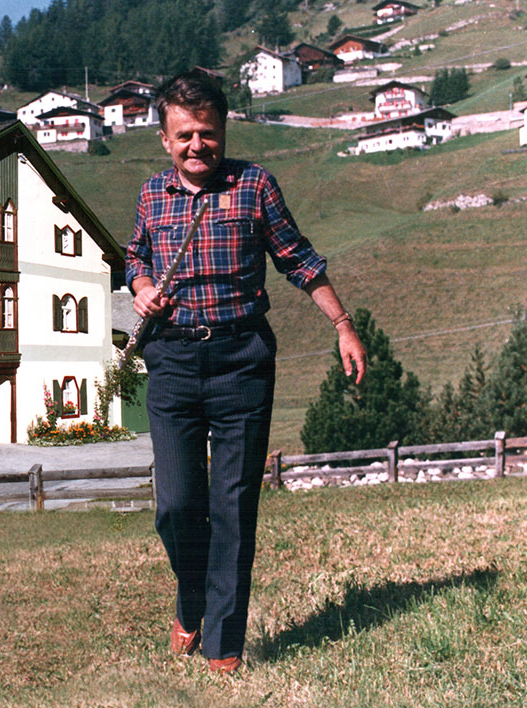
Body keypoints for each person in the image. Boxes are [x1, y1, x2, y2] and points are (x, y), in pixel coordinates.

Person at [126, 70, 367, 674]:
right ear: (164, 139)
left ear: (223, 131)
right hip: (174, 362)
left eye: (206, 134)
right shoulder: (153, 195)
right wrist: (143, 285)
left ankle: (224, 646)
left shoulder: (255, 185)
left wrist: (342, 324)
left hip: (242, 364)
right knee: (177, 506)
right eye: (183, 136)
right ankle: (191, 598)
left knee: (233, 507)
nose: (196, 146)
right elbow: (134, 255)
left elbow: (299, 259)